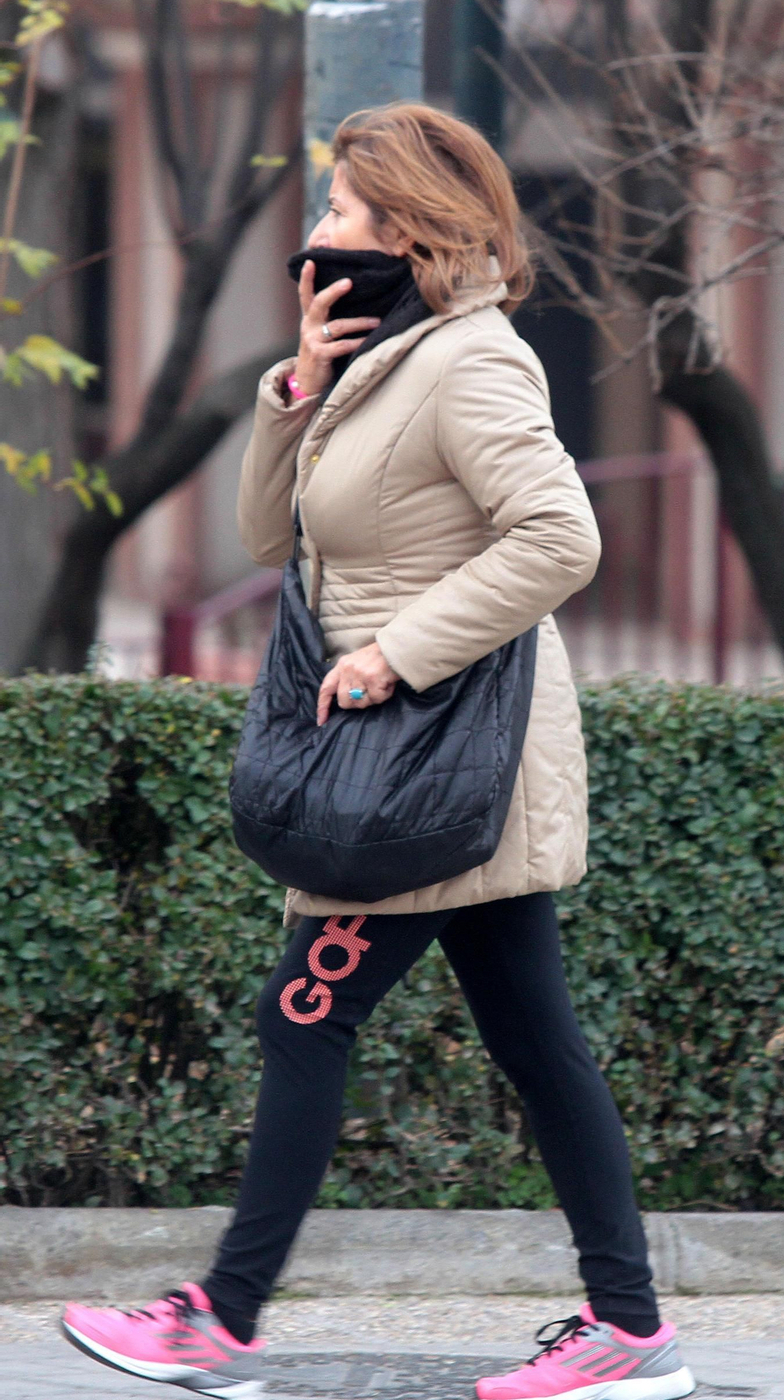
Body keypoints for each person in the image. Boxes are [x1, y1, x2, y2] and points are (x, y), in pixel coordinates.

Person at [58, 102, 693, 1400]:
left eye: (340, 211)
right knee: (536, 1038)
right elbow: (261, 537)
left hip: (430, 758)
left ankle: (219, 1322)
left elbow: (561, 538)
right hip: (422, 763)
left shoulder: (475, 362)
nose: (318, 232)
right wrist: (295, 388)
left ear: (405, 227)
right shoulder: (380, 361)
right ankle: (628, 1327)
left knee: (304, 1011)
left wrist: (395, 651)